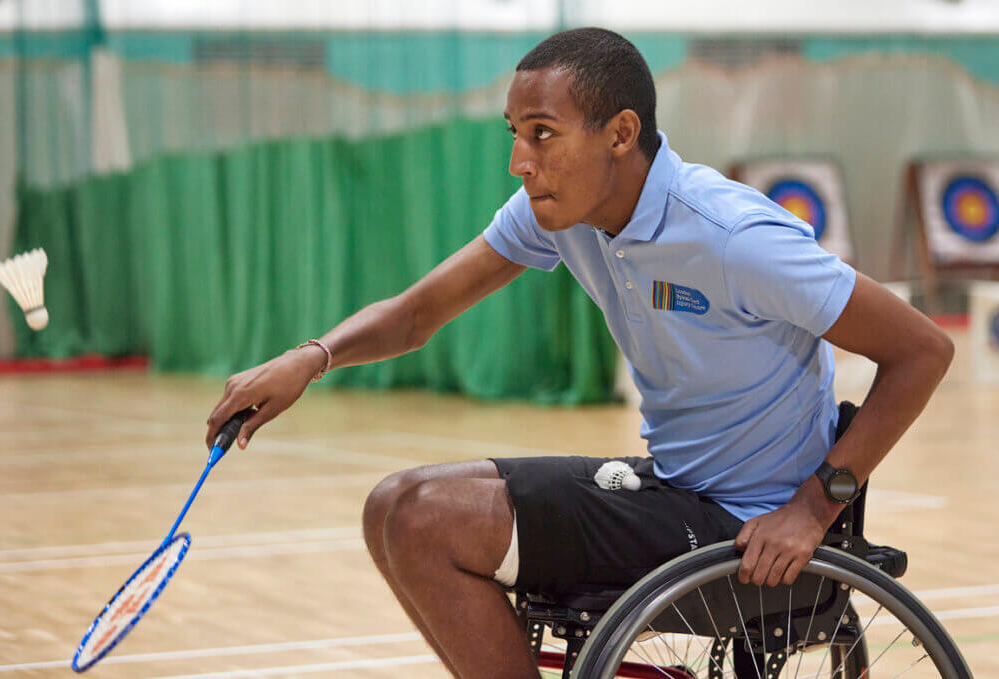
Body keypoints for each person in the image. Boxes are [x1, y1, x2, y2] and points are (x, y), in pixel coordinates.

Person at [205, 27, 953, 679]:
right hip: (677, 493)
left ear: (620, 133)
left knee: (425, 519)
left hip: (751, 533)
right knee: (391, 506)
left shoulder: (731, 237)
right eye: (513, 133)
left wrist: (812, 509)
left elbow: (922, 350)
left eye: (541, 133)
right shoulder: (565, 214)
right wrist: (312, 355)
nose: (519, 162)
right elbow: (417, 313)